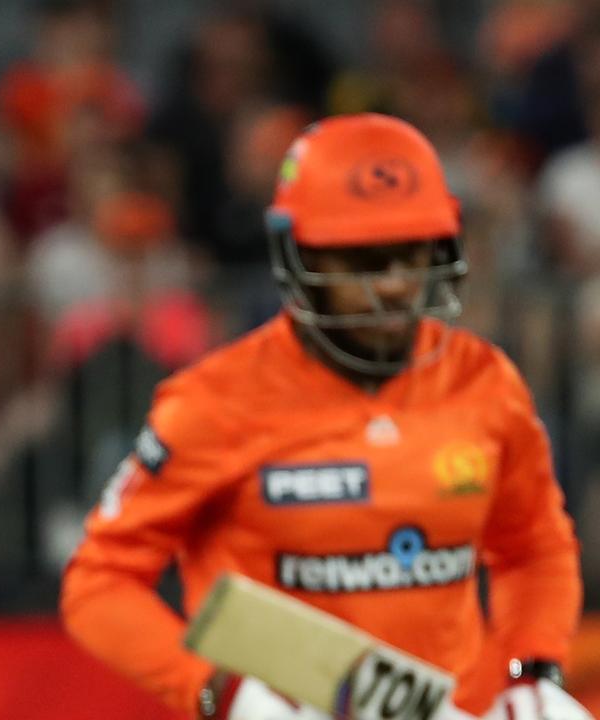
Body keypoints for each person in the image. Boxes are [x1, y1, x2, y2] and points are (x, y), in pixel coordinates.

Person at [59, 113, 592, 720]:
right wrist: (221, 694)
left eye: (410, 254)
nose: (394, 286)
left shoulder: (484, 381)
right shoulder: (215, 401)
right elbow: (98, 584)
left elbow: (535, 548)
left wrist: (531, 672)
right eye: (362, 261)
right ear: (297, 256)